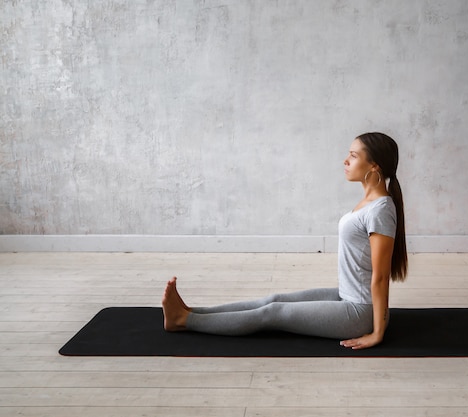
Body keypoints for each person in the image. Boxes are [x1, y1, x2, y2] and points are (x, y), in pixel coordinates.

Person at [162, 132, 408, 349]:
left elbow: (380, 276)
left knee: (273, 313)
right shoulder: (370, 204)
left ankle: (184, 322)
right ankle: (191, 312)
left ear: (374, 166)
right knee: (273, 300)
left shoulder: (380, 210)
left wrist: (378, 331)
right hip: (346, 296)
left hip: (358, 312)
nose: (345, 160)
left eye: (353, 156)